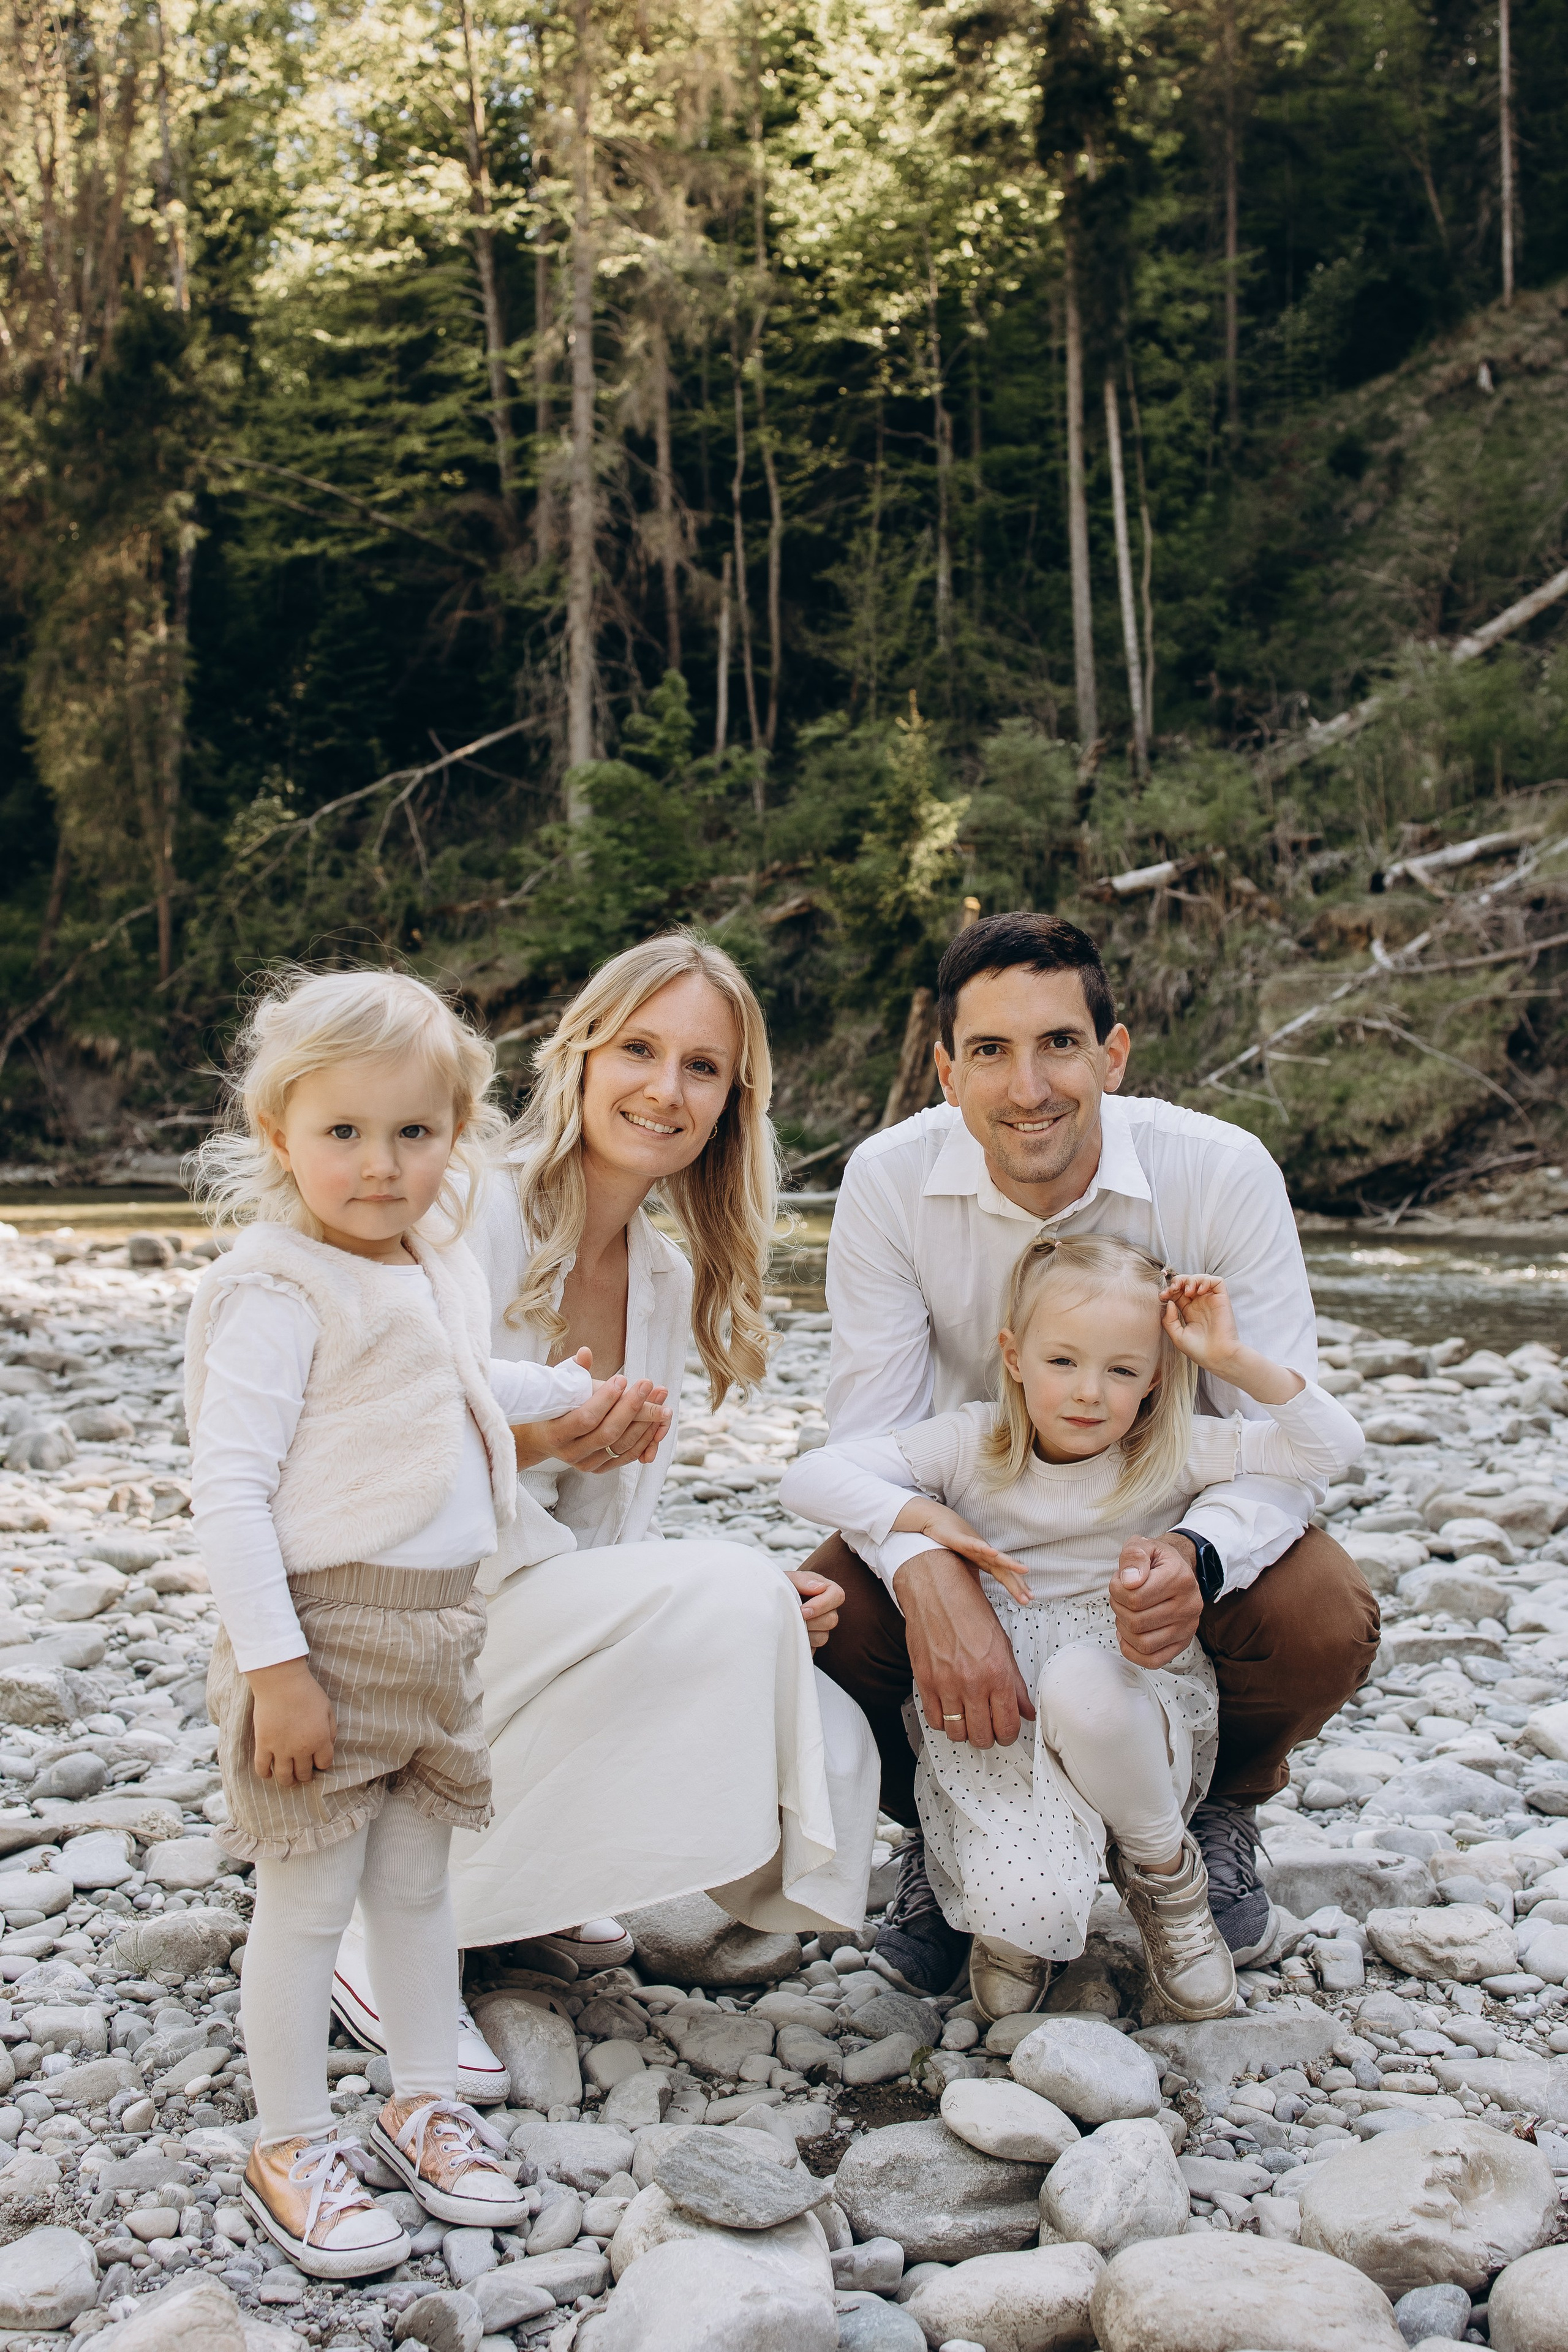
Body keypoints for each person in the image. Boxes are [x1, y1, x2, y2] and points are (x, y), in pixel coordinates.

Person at [327, 932, 879, 2083]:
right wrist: (533, 1440)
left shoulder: (665, 1278)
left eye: (702, 1067)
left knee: (819, 1721)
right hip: (393, 1619)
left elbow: (607, 1540)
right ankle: (380, 1928)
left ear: (733, 1102)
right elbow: (364, 1459)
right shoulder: (470, 1205)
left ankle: (526, 1881)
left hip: (517, 1618)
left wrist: (716, 1605)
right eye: (639, 1048)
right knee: (729, 1597)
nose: (665, 1089)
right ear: (580, 1054)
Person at [811, 910, 1381, 1998]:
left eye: (1059, 1045)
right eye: (990, 1051)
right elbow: (864, 1442)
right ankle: (951, 1833)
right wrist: (932, 1570)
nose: (1027, 1087)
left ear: (1112, 1055)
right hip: (982, 1521)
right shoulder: (887, 1184)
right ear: (946, 1070)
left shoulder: (1217, 1171)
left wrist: (1198, 1558)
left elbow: (1290, 1455)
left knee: (1320, 1611)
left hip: (1155, 1523)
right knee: (830, 1605)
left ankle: (1212, 1816)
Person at [187, 968, 594, 2277]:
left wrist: (567, 1395)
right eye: (344, 1134)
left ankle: (423, 2092)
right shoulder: (273, 1291)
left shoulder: (425, 1263)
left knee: (421, 1889)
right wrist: (277, 1671)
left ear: (455, 1139)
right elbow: (231, 1490)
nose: (379, 1165)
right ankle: (291, 2133)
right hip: (320, 1636)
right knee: (308, 1903)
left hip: (435, 1636)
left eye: (414, 1134)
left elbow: (456, 1384)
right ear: (279, 1139)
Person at [783, 1239, 1364, 2021]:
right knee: (1012, 1928)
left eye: (1122, 1370)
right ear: (1013, 1358)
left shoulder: (1169, 1449)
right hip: (1000, 1715)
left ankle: (1167, 1876)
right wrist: (926, 1518)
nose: (1089, 1393)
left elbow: (1330, 1449)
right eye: (1063, 1362)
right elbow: (810, 1476)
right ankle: (1011, 1917)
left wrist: (1230, 1357)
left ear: (1155, 1377)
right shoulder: (970, 1443)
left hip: (1127, 1700)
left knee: (1080, 1682)